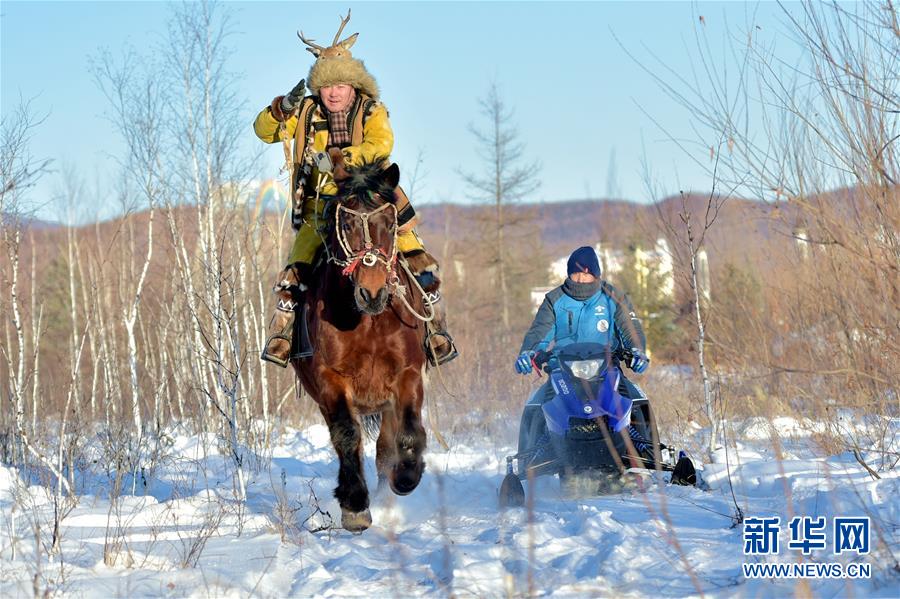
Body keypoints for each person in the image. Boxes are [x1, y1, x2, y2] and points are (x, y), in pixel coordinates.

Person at [253, 12, 456, 368]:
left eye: (340, 86)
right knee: (298, 265)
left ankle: (435, 328)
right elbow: (263, 132)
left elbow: (382, 144)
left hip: (369, 196)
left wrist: (340, 160)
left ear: (353, 86)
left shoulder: (372, 110)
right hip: (321, 205)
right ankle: (283, 332)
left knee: (413, 252)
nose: (333, 93)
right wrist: (281, 108)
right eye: (327, 87)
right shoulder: (303, 113)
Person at [514, 246, 651, 457]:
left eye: (587, 275)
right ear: (568, 274)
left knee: (636, 399)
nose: (581, 280)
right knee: (536, 405)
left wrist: (637, 350)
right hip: (562, 369)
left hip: (607, 367)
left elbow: (630, 329)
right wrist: (529, 353)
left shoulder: (613, 297)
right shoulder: (554, 300)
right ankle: (528, 461)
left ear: (596, 275)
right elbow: (539, 332)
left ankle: (648, 451)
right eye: (576, 274)